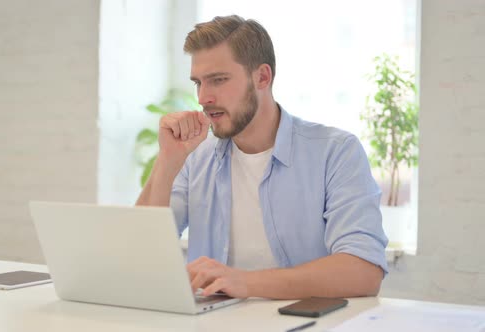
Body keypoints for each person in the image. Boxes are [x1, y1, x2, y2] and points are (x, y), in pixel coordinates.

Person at [136, 15, 388, 300]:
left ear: (262, 77)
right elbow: (139, 256)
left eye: (218, 80)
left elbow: (364, 271)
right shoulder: (195, 158)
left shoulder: (336, 151)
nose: (204, 97)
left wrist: (246, 283)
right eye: (198, 83)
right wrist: (168, 161)